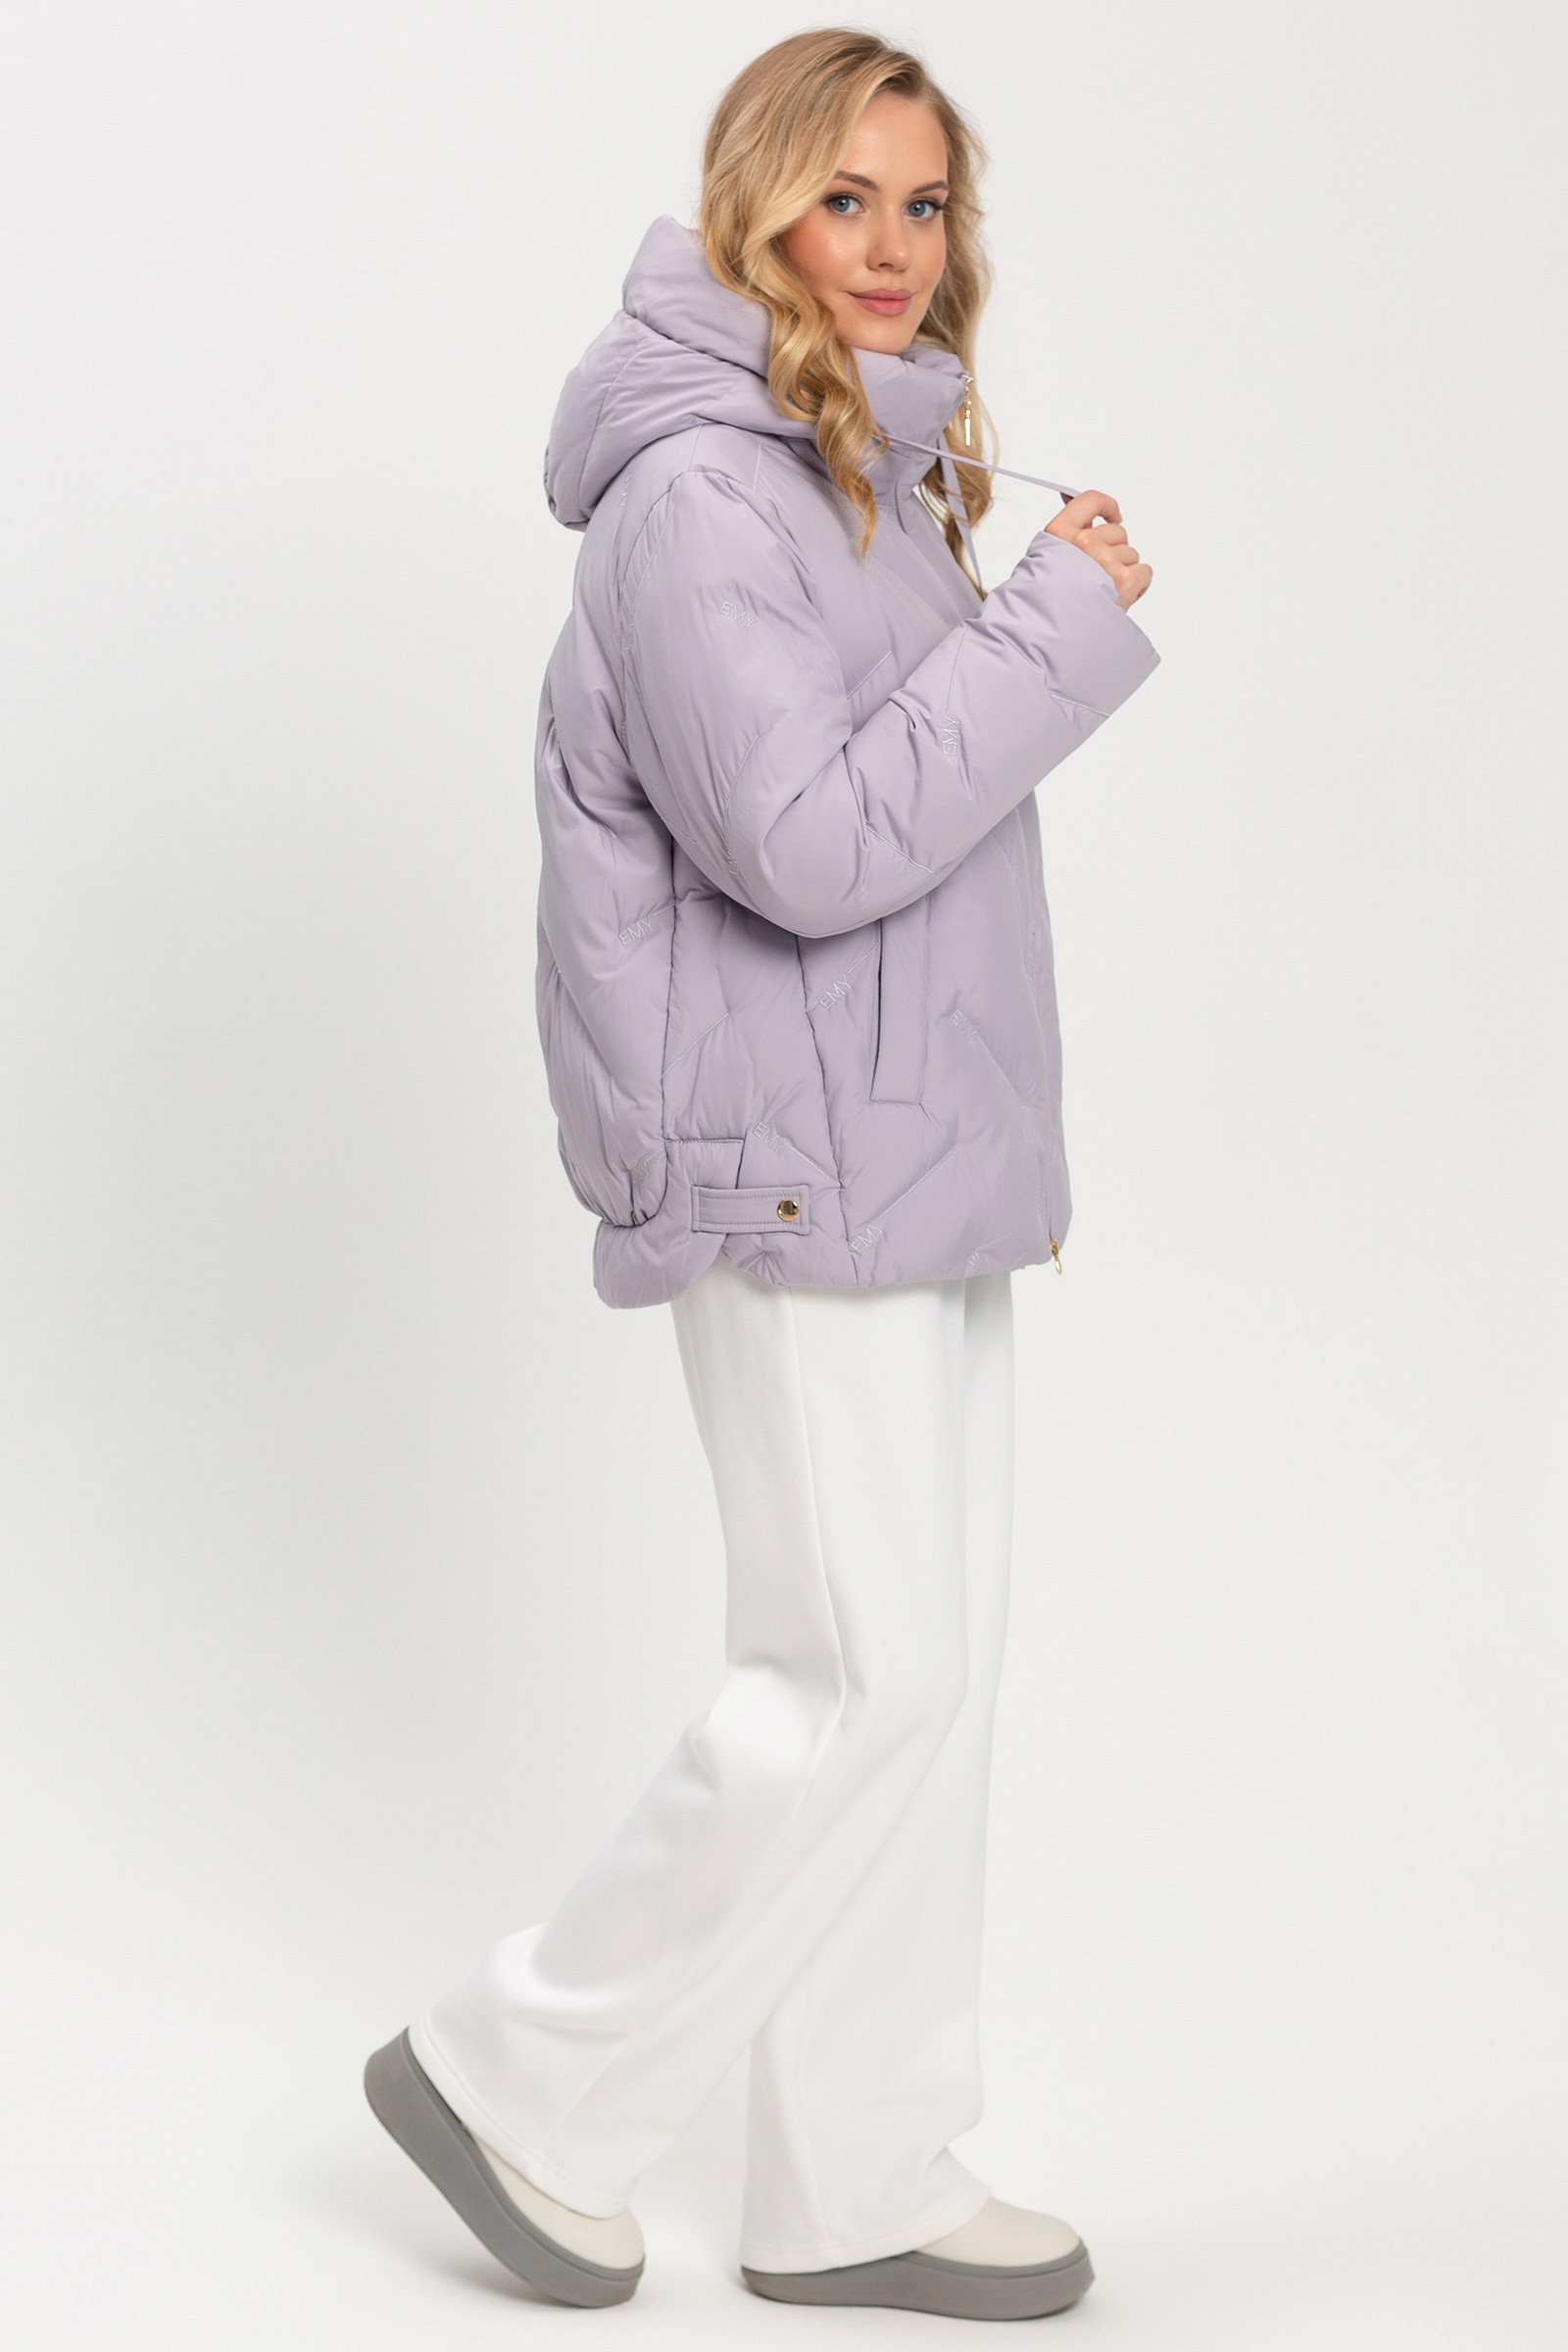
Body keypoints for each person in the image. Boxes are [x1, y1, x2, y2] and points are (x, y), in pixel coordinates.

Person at [366, 27, 1156, 2323]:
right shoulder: (700, 500)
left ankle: (856, 2170)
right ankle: (513, 2077)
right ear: (749, 215)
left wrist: (1000, 597)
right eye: (841, 200)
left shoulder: (847, 476)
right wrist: (1051, 626)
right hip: (794, 1172)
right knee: (849, 1678)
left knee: (927, 1685)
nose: (888, 247)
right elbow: (803, 849)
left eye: (921, 203)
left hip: (904, 1157)